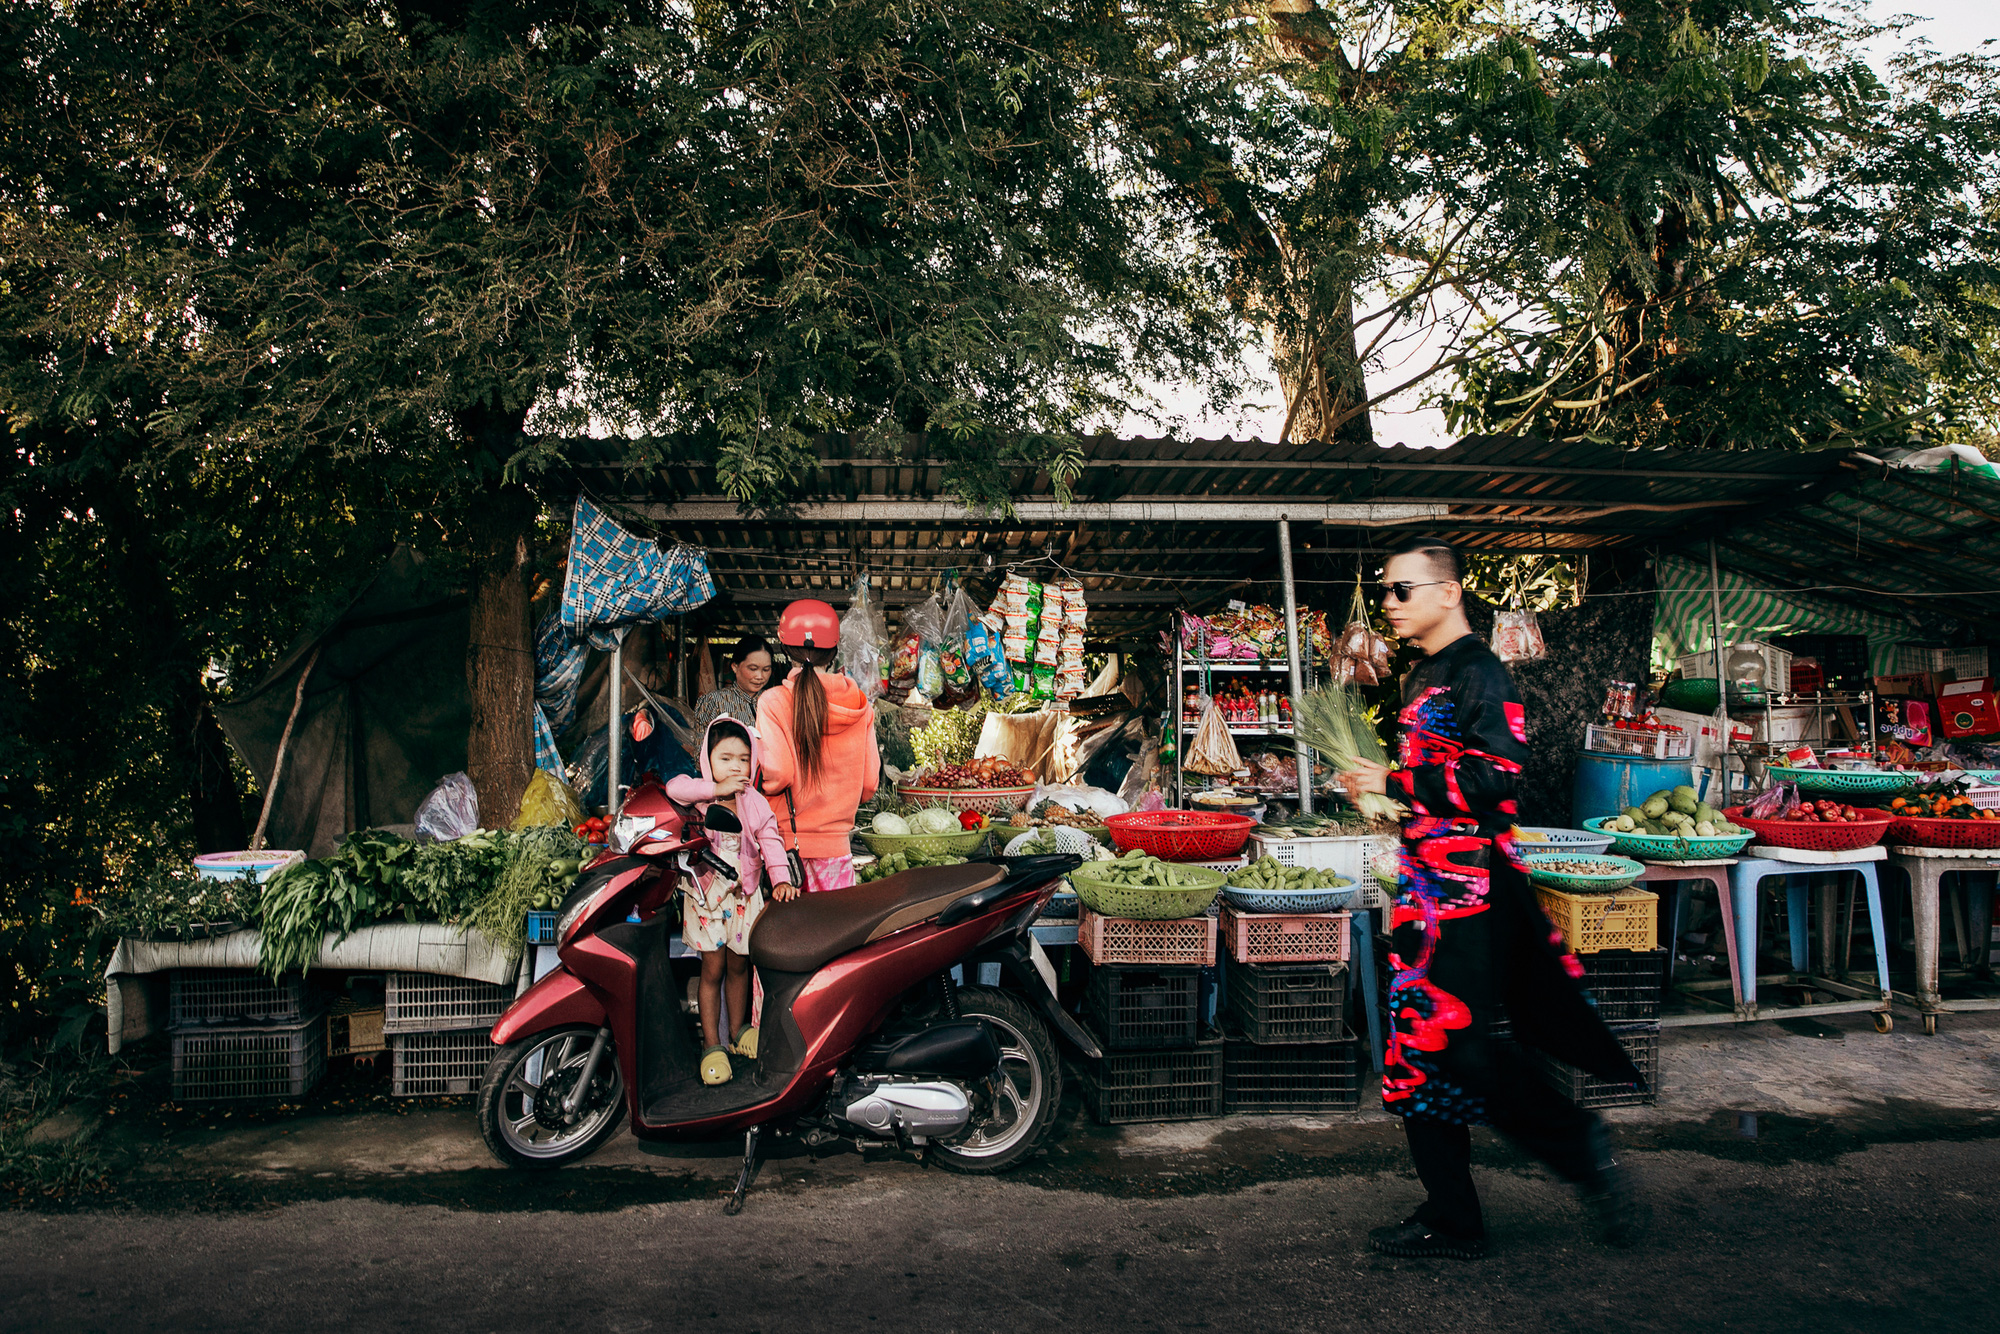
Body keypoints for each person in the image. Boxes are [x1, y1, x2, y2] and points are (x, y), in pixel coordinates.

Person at [1338, 535, 1645, 1260]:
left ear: (1448, 593)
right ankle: (1454, 1217)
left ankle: (1579, 1145)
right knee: (1417, 1054)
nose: (1388, 603)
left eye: (1401, 590)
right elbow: (1435, 782)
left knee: (1456, 1050)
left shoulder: (1481, 674)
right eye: (1385, 590)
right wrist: (1385, 794)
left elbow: (1494, 781)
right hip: (1427, 891)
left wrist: (1392, 785)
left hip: (1469, 895)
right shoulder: (1425, 675)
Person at [667, 717, 798, 1086]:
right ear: (708, 760)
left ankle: (740, 1032)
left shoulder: (754, 802)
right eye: (725, 758)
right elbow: (674, 787)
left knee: (741, 966)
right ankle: (713, 1046)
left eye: (743, 759)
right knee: (712, 971)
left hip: (745, 895)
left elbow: (771, 841)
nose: (736, 767)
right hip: (707, 899)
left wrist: (782, 880)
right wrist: (715, 786)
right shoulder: (699, 794)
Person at [758, 598, 879, 894]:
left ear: (784, 649)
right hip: (837, 850)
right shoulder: (861, 706)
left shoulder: (773, 702)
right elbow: (869, 784)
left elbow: (779, 774)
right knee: (836, 936)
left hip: (785, 854)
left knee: (789, 938)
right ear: (835, 650)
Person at [695, 635, 775, 734]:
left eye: (766, 669)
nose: (760, 676)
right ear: (735, 667)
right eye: (753, 669)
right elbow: (701, 746)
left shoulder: (774, 702)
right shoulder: (714, 702)